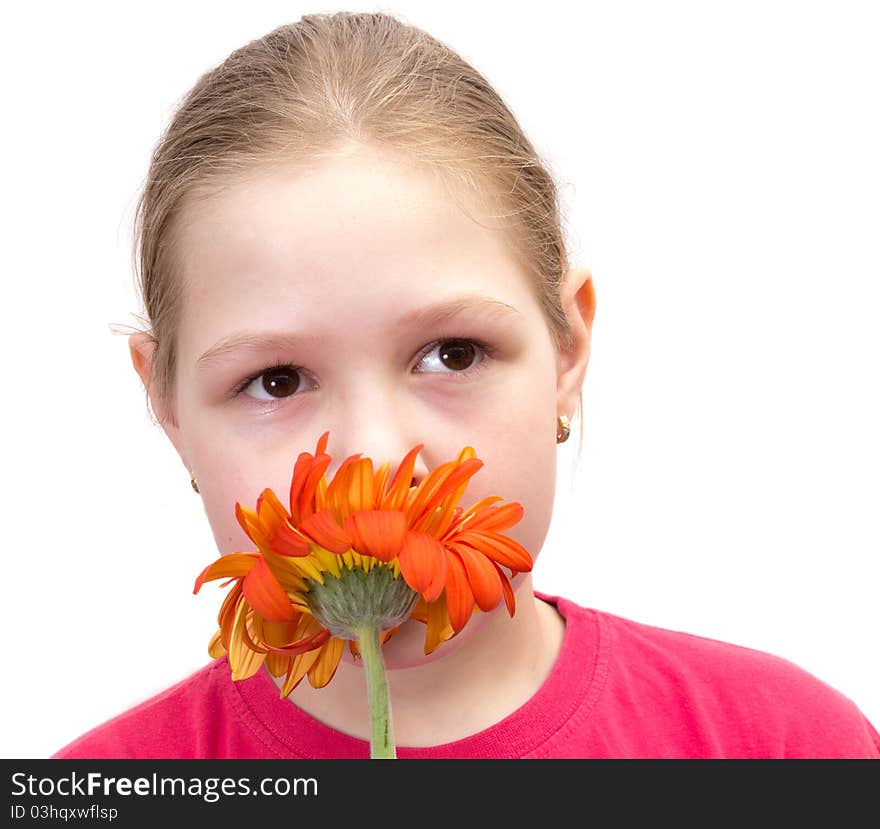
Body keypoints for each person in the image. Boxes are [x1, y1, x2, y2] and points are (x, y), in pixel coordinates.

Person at [53, 11, 878, 760]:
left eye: (452, 353)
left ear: (567, 348)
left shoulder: (783, 748)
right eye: (276, 379)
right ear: (164, 406)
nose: (373, 457)